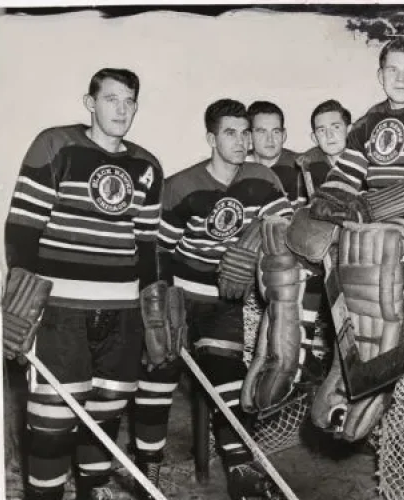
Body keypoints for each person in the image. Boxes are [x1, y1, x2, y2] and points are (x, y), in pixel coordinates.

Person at [240, 37, 404, 444]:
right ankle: (288, 355)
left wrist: (374, 207)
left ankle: (365, 377)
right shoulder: (369, 120)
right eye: (392, 70)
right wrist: (325, 204)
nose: (400, 78)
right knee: (287, 236)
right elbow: (344, 178)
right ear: (380, 75)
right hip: (370, 217)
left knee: (370, 245)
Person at [1, 68, 168, 500]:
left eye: (129, 101)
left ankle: (94, 491)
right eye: (111, 99)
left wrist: (153, 308)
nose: (122, 110)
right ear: (90, 103)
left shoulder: (148, 166)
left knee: (105, 415)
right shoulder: (56, 145)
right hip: (62, 311)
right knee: (52, 420)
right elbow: (23, 228)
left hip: (123, 313)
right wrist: (25, 299)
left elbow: (147, 246)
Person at [132, 99, 293, 500]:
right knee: (157, 378)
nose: (241, 141)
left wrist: (253, 247)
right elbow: (159, 250)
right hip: (180, 297)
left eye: (245, 132)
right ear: (211, 138)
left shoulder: (263, 179)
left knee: (229, 380)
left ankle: (241, 472)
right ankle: (147, 471)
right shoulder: (182, 186)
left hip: (225, 302)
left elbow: (285, 230)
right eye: (229, 133)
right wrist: (162, 304)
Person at [246, 101, 303, 208]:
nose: (270, 139)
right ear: (249, 136)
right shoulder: (235, 166)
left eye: (276, 131)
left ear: (284, 135)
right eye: (262, 132)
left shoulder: (302, 166)